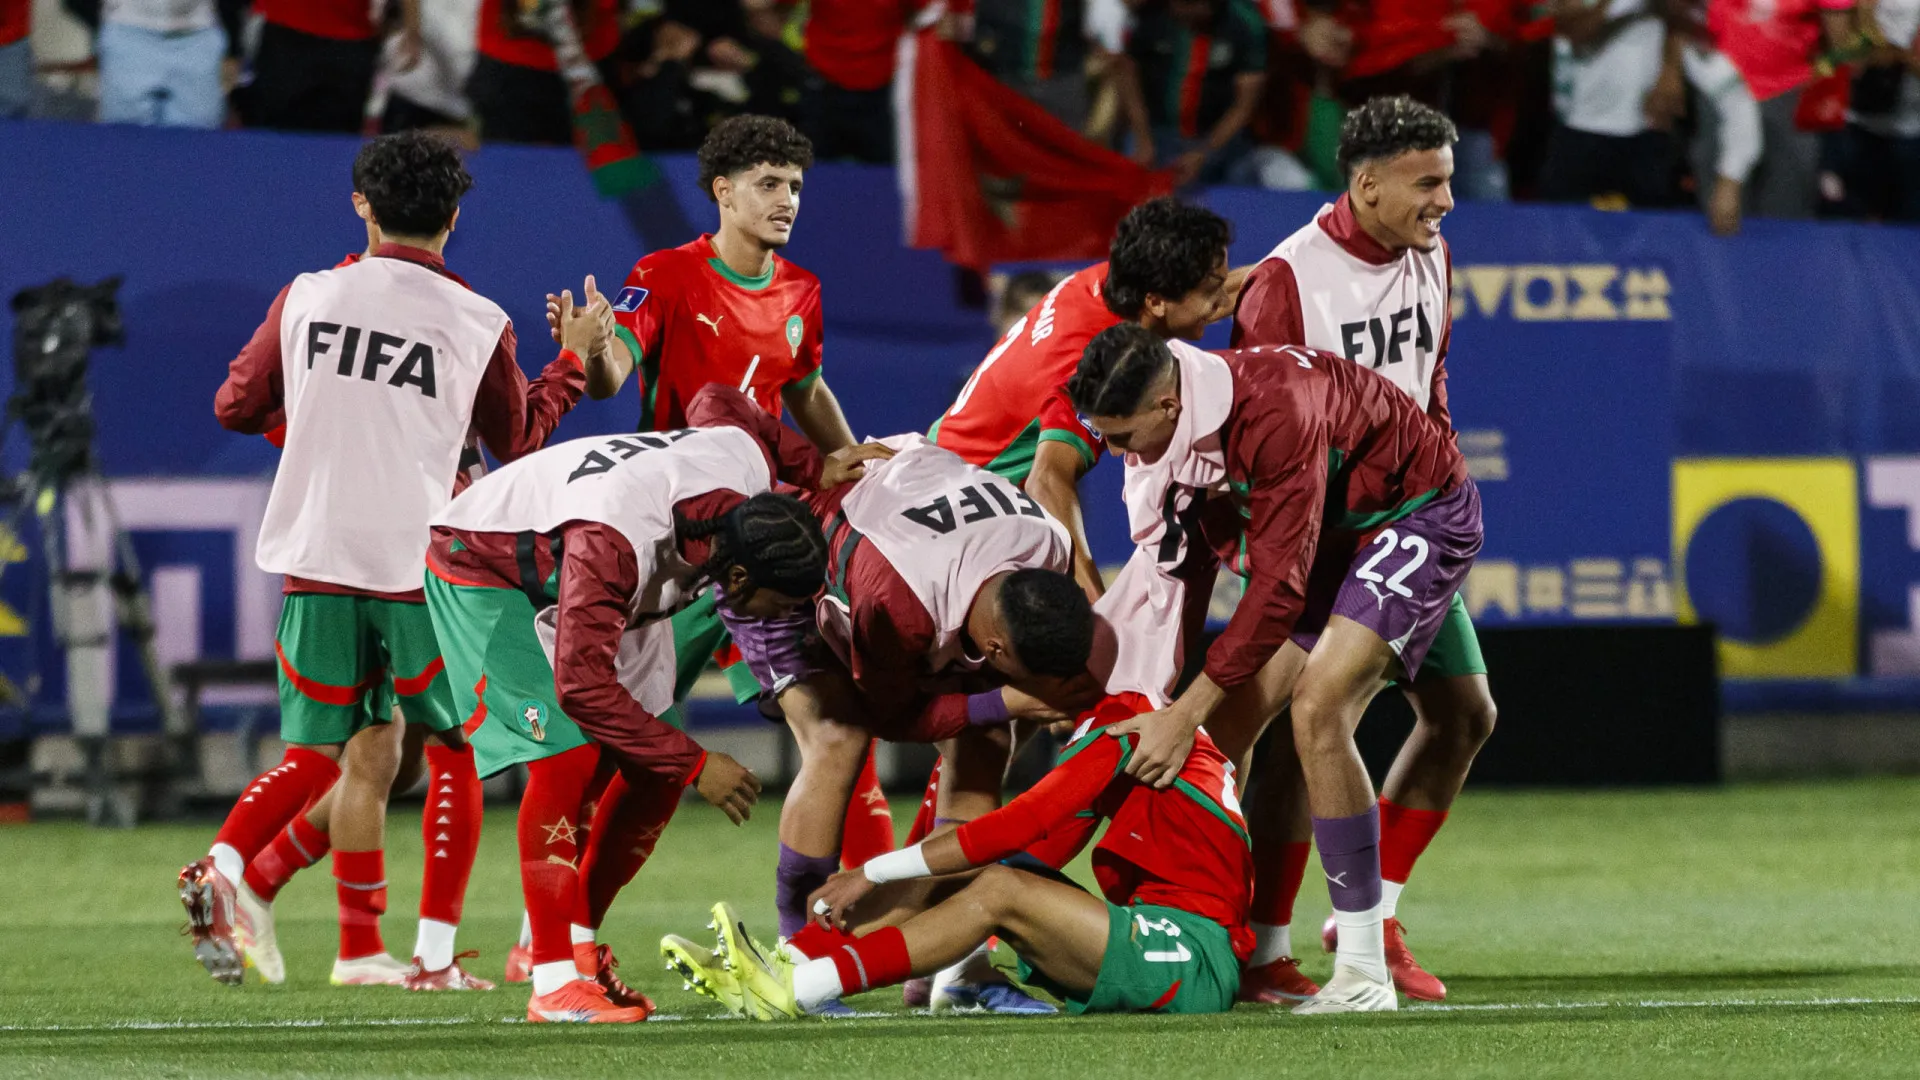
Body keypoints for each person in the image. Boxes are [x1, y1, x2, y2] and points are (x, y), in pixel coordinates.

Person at [182, 131, 590, 990]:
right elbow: (516, 438)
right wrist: (574, 365)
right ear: (454, 216)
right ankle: (432, 959)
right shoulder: (477, 320)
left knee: (323, 753)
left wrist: (324, 427)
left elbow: (233, 403)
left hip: (318, 556)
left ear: (361, 204)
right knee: (455, 749)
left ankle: (232, 867)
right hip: (419, 568)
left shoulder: (307, 297)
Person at [422, 382, 889, 1022]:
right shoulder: (613, 544)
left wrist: (810, 465)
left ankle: (580, 947)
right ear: (739, 579)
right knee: (568, 757)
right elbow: (582, 688)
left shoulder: (744, 466)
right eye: (781, 606)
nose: (788, 620)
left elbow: (718, 399)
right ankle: (553, 981)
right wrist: (699, 763)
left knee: (653, 772)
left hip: (614, 579)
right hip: (486, 562)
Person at [1067, 324, 1479, 1014]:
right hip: (1332, 539)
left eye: (1119, 436)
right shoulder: (1162, 437)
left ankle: (1362, 969)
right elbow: (1176, 574)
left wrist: (1179, 713)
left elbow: (1278, 592)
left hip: (1415, 515)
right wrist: (1147, 701)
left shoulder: (1276, 412)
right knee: (1222, 733)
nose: (1112, 454)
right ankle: (1241, 945)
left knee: (1319, 709)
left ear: (1168, 408)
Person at [1227, 94, 1493, 1005]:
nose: (1446, 202)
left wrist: (1439, 469)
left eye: (1449, 181)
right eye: (1429, 184)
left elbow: (1432, 374)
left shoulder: (1432, 254)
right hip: (1324, 538)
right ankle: (1266, 948)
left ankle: (1363, 917)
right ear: (1366, 182)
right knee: (1299, 721)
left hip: (1410, 516)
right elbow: (1262, 433)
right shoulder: (1287, 282)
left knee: (1463, 713)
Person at [716, 434, 1098, 990]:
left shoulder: (1051, 545)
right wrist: (1006, 699)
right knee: (839, 738)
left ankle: (956, 969)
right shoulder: (898, 604)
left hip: (904, 540)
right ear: (993, 649)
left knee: (987, 741)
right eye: (1022, 671)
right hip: (787, 571)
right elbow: (891, 719)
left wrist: (1007, 703)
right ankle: (794, 952)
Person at [661, 690, 1252, 1019]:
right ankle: (781, 964)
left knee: (999, 888)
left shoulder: (1124, 725)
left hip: (1197, 956)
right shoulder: (1135, 726)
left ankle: (803, 987)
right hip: (1157, 934)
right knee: (981, 874)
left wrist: (870, 871)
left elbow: (1019, 825)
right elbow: (1025, 847)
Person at [932, 197, 1244, 602]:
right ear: (1155, 300)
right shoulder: (1095, 364)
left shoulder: (1111, 283)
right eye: (1209, 289)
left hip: (960, 479)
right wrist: (1096, 611)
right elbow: (1048, 480)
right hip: (958, 518)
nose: (1218, 300)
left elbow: (1214, 296)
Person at [1119, 0, 1270, 186]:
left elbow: (1245, 105)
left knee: (1243, 181)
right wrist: (1142, 135)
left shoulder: (1245, 23)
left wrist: (1206, 152)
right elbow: (1127, 75)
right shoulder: (1146, 16)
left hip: (1219, 137)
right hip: (1156, 131)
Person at [244, 0, 415, 133]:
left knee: (336, 146)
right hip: (285, 31)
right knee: (270, 139)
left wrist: (409, 28)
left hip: (351, 40)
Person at [95, 0, 240, 128]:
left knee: (197, 139)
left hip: (198, 34)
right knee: (125, 135)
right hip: (127, 31)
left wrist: (234, 43)